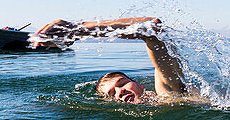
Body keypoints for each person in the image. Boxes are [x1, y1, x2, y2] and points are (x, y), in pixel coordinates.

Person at [32, 16, 190, 103]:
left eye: (121, 84)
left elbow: (153, 29)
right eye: (111, 94)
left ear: (140, 85)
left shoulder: (168, 93)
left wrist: (78, 30)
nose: (120, 92)